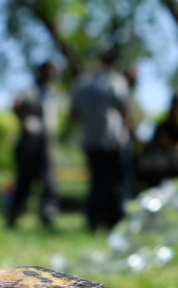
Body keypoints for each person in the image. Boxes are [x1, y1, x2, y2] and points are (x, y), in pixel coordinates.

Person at [72, 48, 134, 232]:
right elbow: (125, 111)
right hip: (114, 139)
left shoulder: (82, 83)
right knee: (118, 183)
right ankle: (118, 223)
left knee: (97, 183)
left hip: (91, 140)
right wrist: (133, 132)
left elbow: (75, 115)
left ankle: (95, 221)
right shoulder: (116, 81)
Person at [7, 59, 60, 230]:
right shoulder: (30, 92)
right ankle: (13, 215)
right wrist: (24, 124)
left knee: (49, 182)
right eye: (48, 70)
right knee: (24, 182)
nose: (51, 74)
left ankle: (48, 217)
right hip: (30, 143)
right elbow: (16, 105)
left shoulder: (51, 92)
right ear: (40, 72)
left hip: (46, 143)